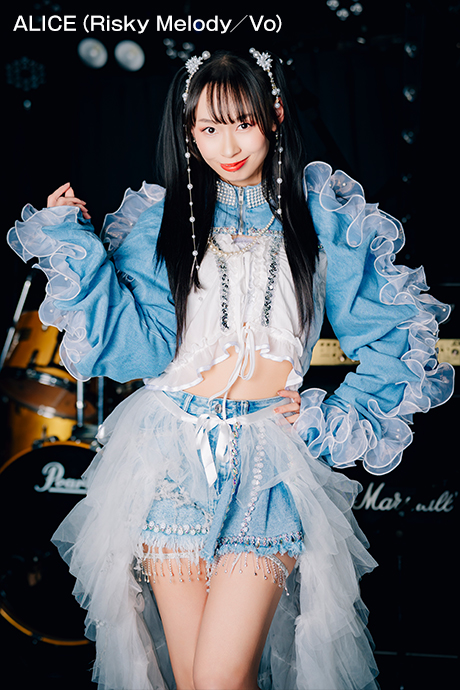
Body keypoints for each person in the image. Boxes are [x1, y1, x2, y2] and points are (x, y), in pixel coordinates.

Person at [7, 49, 454, 690]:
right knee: (194, 679)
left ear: (275, 115)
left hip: (266, 461)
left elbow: (396, 336)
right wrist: (76, 245)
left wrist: (335, 414)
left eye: (243, 122)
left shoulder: (319, 214)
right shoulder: (164, 221)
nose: (229, 145)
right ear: (188, 132)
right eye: (209, 128)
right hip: (167, 455)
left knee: (222, 676)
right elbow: (140, 349)